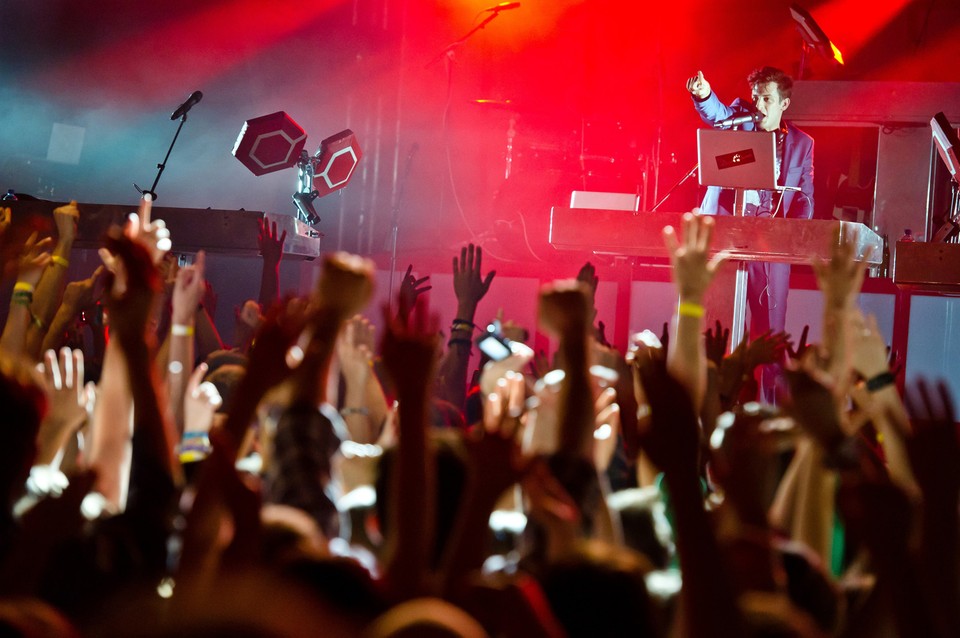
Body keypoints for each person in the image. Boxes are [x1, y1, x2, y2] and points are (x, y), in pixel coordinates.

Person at [686, 66, 814, 402]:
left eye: (766, 98)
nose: (758, 104)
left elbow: (806, 199)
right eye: (756, 96)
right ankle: (712, 401)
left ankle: (765, 410)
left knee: (769, 333)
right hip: (728, 234)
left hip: (772, 246)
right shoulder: (740, 119)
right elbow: (717, 115)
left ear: (783, 104)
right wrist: (702, 94)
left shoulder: (802, 144)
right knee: (718, 325)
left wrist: (794, 235)